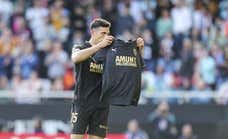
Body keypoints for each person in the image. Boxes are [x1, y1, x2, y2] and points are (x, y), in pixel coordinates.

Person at [70, 18, 144, 139]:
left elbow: (129, 65)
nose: (106, 36)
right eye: (103, 33)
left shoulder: (110, 51)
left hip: (102, 104)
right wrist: (99, 46)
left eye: (108, 33)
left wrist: (139, 50)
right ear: (93, 32)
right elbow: (75, 58)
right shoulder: (81, 46)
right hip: (82, 102)